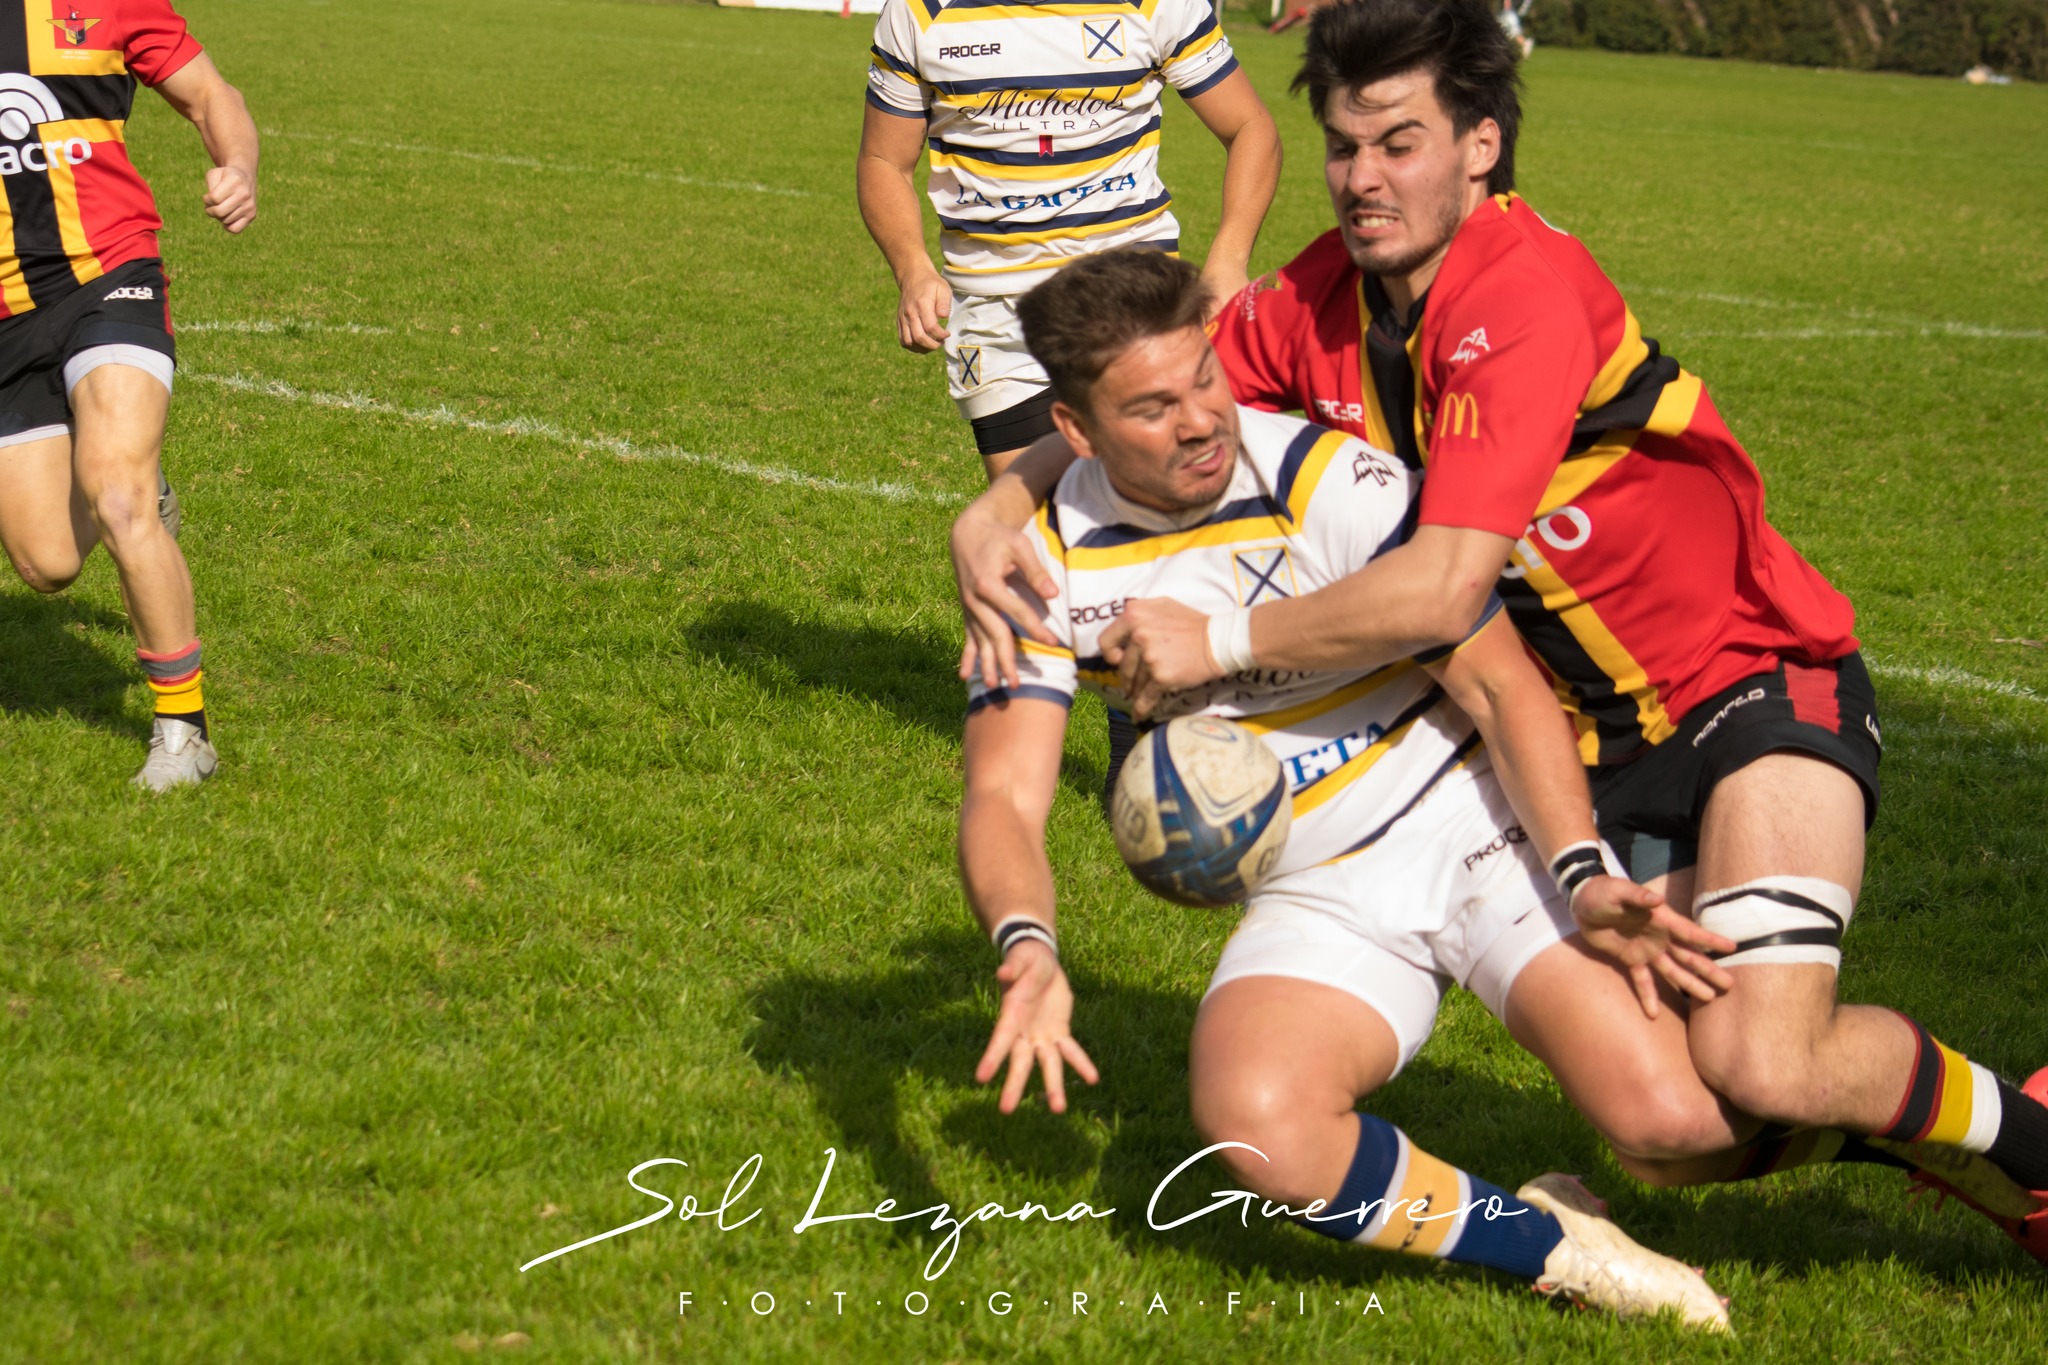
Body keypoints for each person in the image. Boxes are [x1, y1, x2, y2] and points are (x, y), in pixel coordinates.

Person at [945, 0, 2048, 1259]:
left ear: (1479, 144)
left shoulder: (1516, 293)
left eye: (1398, 143)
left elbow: (1437, 592)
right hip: (1578, 738)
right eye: (1342, 145)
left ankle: (2031, 1146)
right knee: (1670, 1130)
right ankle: (1934, 1144)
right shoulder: (1318, 296)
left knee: (1764, 1056)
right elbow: (1153, 382)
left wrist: (1220, 642)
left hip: (1742, 684)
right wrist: (1006, 492)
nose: (1362, 180)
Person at [960, 248, 1748, 1329]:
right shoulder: (1037, 571)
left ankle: (1961, 1134)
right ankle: (1557, 1247)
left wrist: (1573, 871)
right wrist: (1028, 949)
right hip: (1310, 886)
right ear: (1077, 432)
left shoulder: (1317, 477)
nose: (1200, 420)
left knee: (1678, 1121)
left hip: (1468, 821)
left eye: (1203, 378)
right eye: (1152, 406)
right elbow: (1004, 796)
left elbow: (1498, 685)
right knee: (1255, 1126)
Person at [857, 0, 1281, 482]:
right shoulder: (919, 13)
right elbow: (883, 160)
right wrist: (911, 267)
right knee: (1041, 524)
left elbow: (1251, 127)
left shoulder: (1158, 4)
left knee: (1161, 495)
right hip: (998, 314)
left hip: (1133, 293)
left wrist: (1228, 260)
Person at [0, 1, 257, 790]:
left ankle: (185, 732)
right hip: (9, 315)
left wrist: (238, 168)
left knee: (117, 494)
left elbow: (213, 95)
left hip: (111, 275)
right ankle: (146, 487)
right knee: (46, 565)